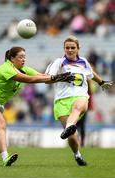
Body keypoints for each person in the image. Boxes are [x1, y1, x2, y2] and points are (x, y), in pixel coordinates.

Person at [0, 46, 75, 167]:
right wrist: (55, 78)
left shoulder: (24, 69)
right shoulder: (6, 68)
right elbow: (29, 79)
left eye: (24, 57)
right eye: (20, 57)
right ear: (12, 58)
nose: (23, 59)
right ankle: (5, 159)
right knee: (1, 124)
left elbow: (42, 77)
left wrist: (60, 78)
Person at [45, 36, 113, 166]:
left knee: (78, 106)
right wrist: (61, 77)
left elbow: (91, 74)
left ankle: (70, 126)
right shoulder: (58, 63)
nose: (70, 50)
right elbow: (47, 80)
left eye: (73, 48)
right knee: (72, 137)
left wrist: (102, 82)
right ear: (64, 49)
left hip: (80, 96)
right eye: (67, 48)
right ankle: (77, 154)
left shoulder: (83, 62)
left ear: (78, 48)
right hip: (61, 101)